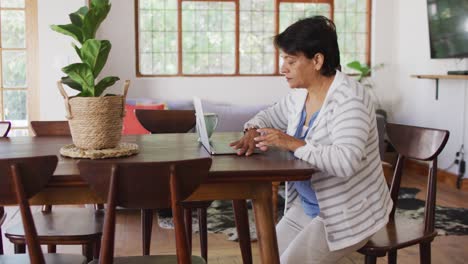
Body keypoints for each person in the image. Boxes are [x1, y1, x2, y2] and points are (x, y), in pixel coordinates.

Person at [230, 16, 392, 264]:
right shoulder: (299, 95)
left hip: (345, 214)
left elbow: (345, 162)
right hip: (307, 207)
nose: (283, 68)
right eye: (284, 59)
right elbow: (268, 114)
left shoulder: (350, 100)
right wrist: (252, 129)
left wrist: (292, 143)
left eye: (291, 61)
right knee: (267, 257)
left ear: (317, 60)